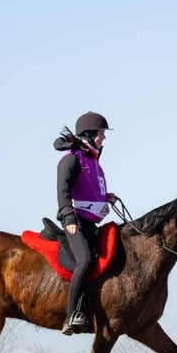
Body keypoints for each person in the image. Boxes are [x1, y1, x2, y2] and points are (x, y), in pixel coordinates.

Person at [54, 111, 117, 335]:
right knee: (86, 260)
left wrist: (105, 197)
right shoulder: (72, 158)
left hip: (90, 223)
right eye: (101, 133)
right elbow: (63, 191)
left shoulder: (92, 160)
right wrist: (68, 218)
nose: (104, 138)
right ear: (90, 134)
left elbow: (87, 190)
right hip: (76, 222)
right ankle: (71, 315)